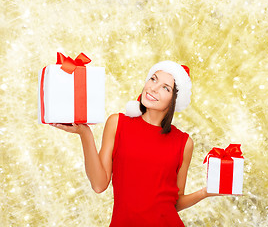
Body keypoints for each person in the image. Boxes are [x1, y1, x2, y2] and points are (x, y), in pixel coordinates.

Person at [50, 61, 219, 227]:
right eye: (153, 79)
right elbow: (99, 184)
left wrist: (205, 192)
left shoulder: (184, 143)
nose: (153, 88)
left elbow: (174, 204)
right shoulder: (117, 123)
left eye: (165, 88)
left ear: (174, 100)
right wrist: (85, 134)